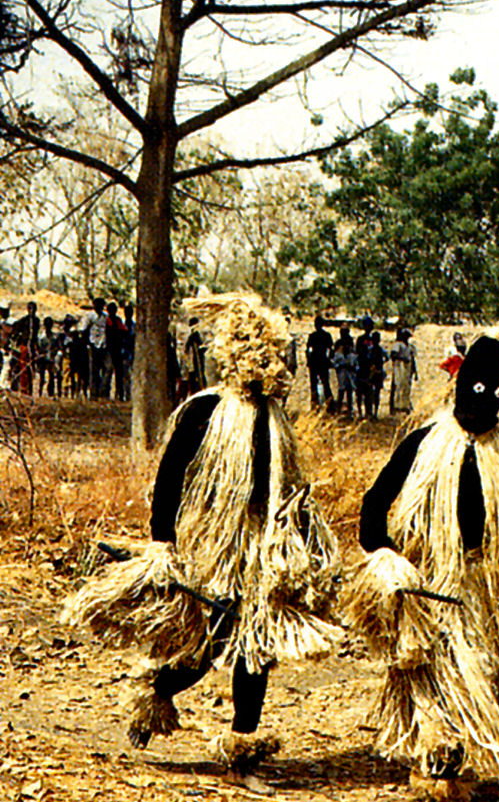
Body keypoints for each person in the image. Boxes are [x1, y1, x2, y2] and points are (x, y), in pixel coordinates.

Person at [62, 293, 345, 775]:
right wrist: (162, 542)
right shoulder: (205, 411)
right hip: (210, 545)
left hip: (259, 550)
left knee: (256, 645)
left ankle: (243, 743)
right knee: (205, 646)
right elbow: (170, 477)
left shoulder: (275, 421)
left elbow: (290, 485)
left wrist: (301, 538)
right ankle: (157, 693)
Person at [348, 329, 499, 800]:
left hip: (480, 591)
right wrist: (385, 558)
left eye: (488, 402)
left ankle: (449, 763)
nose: (476, 414)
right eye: (471, 400)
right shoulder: (424, 443)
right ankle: (435, 761)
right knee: (433, 674)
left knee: (477, 677)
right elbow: (374, 504)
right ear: (457, 388)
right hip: (428, 585)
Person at [306, 315, 333, 407]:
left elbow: (308, 350)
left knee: (314, 384)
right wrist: (329, 360)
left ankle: (315, 403)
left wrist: (309, 360)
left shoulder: (312, 336)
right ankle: (328, 404)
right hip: (322, 361)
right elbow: (330, 350)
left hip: (315, 361)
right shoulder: (326, 335)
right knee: (325, 383)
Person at [389, 328, 417, 414]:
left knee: (406, 387)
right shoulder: (398, 345)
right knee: (397, 385)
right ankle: (395, 406)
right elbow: (393, 355)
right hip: (399, 367)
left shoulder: (410, 347)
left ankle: (404, 405)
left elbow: (412, 359)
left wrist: (415, 371)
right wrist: (402, 358)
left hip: (407, 368)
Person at [332, 327, 357, 416]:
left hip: (348, 371)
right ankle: (339, 409)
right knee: (342, 390)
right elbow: (334, 360)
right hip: (342, 371)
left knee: (349, 390)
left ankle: (349, 409)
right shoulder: (338, 345)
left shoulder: (349, 342)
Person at [105, 301, 126, 401]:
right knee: (108, 371)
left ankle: (119, 393)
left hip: (117, 349)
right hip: (109, 349)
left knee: (119, 373)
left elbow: (123, 331)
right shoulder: (106, 321)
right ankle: (105, 392)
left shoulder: (117, 320)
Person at [87, 297, 107, 399]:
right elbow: (84, 330)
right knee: (93, 370)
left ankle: (103, 393)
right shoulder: (90, 316)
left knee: (104, 370)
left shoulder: (106, 317)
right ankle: (93, 393)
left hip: (103, 346)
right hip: (93, 345)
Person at [355, 316, 374, 419]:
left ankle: (369, 412)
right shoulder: (360, 339)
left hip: (369, 367)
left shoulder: (372, 339)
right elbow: (358, 353)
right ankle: (360, 412)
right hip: (362, 367)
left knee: (369, 391)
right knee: (360, 391)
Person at [368, 330, 388, 419]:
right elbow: (386, 358)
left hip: (375, 372)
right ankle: (373, 412)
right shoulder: (378, 350)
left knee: (375, 393)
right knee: (375, 393)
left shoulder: (373, 350)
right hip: (375, 372)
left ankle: (374, 412)